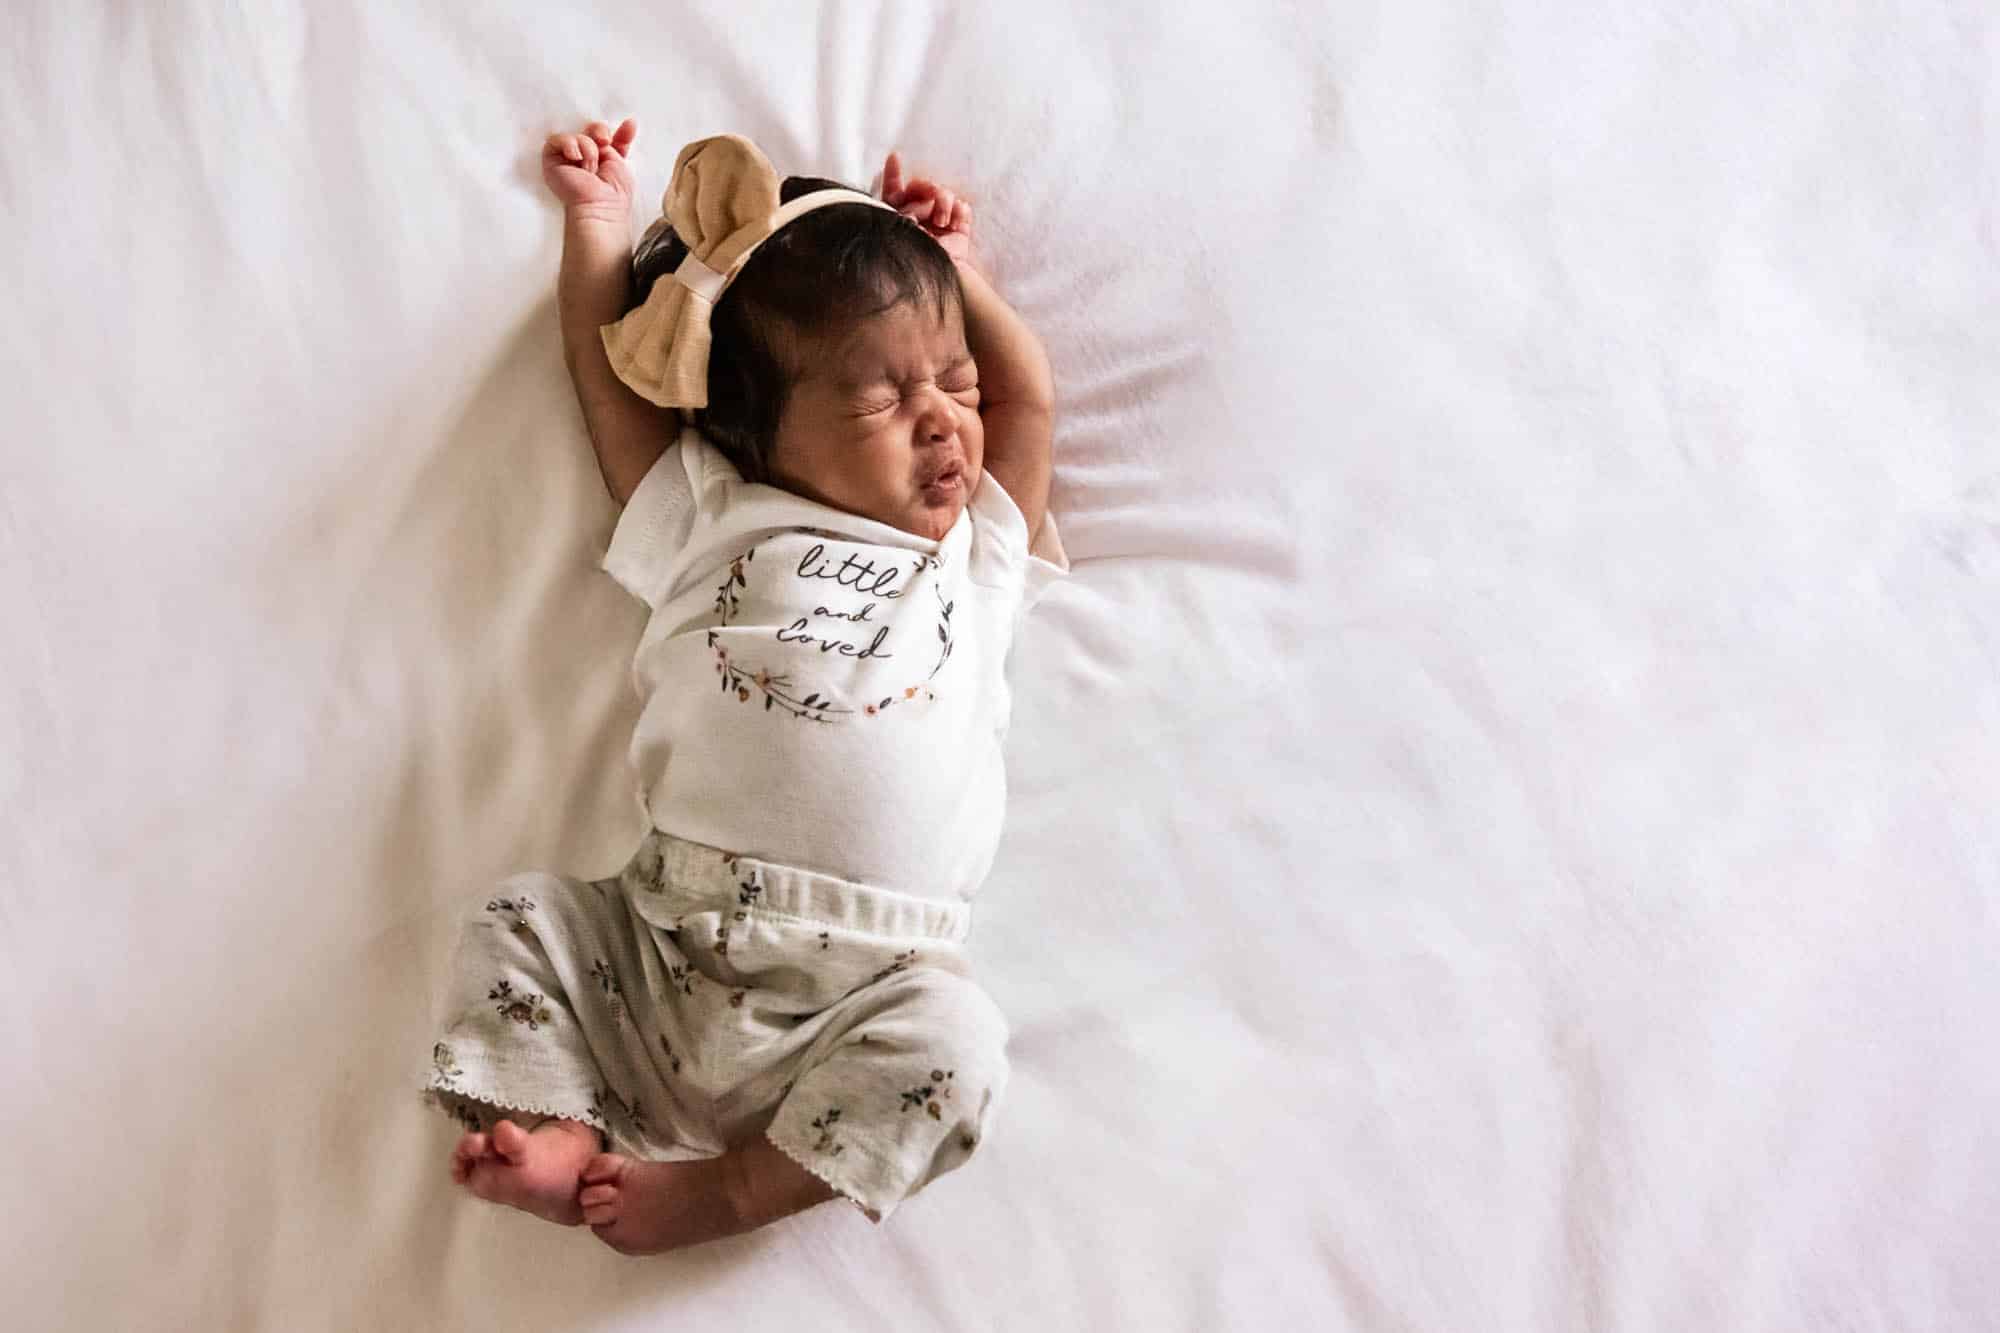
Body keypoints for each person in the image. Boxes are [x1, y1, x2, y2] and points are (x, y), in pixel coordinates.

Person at [421, 119, 1066, 1254]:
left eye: (954, 379)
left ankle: (725, 1191)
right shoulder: (711, 515)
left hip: (874, 987)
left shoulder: (974, 554)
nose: (942, 421)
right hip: (662, 947)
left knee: (960, 1047)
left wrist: (961, 280)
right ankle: (552, 1122)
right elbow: (606, 387)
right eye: (880, 400)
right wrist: (595, 229)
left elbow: (1030, 406)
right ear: (750, 428)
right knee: (523, 918)